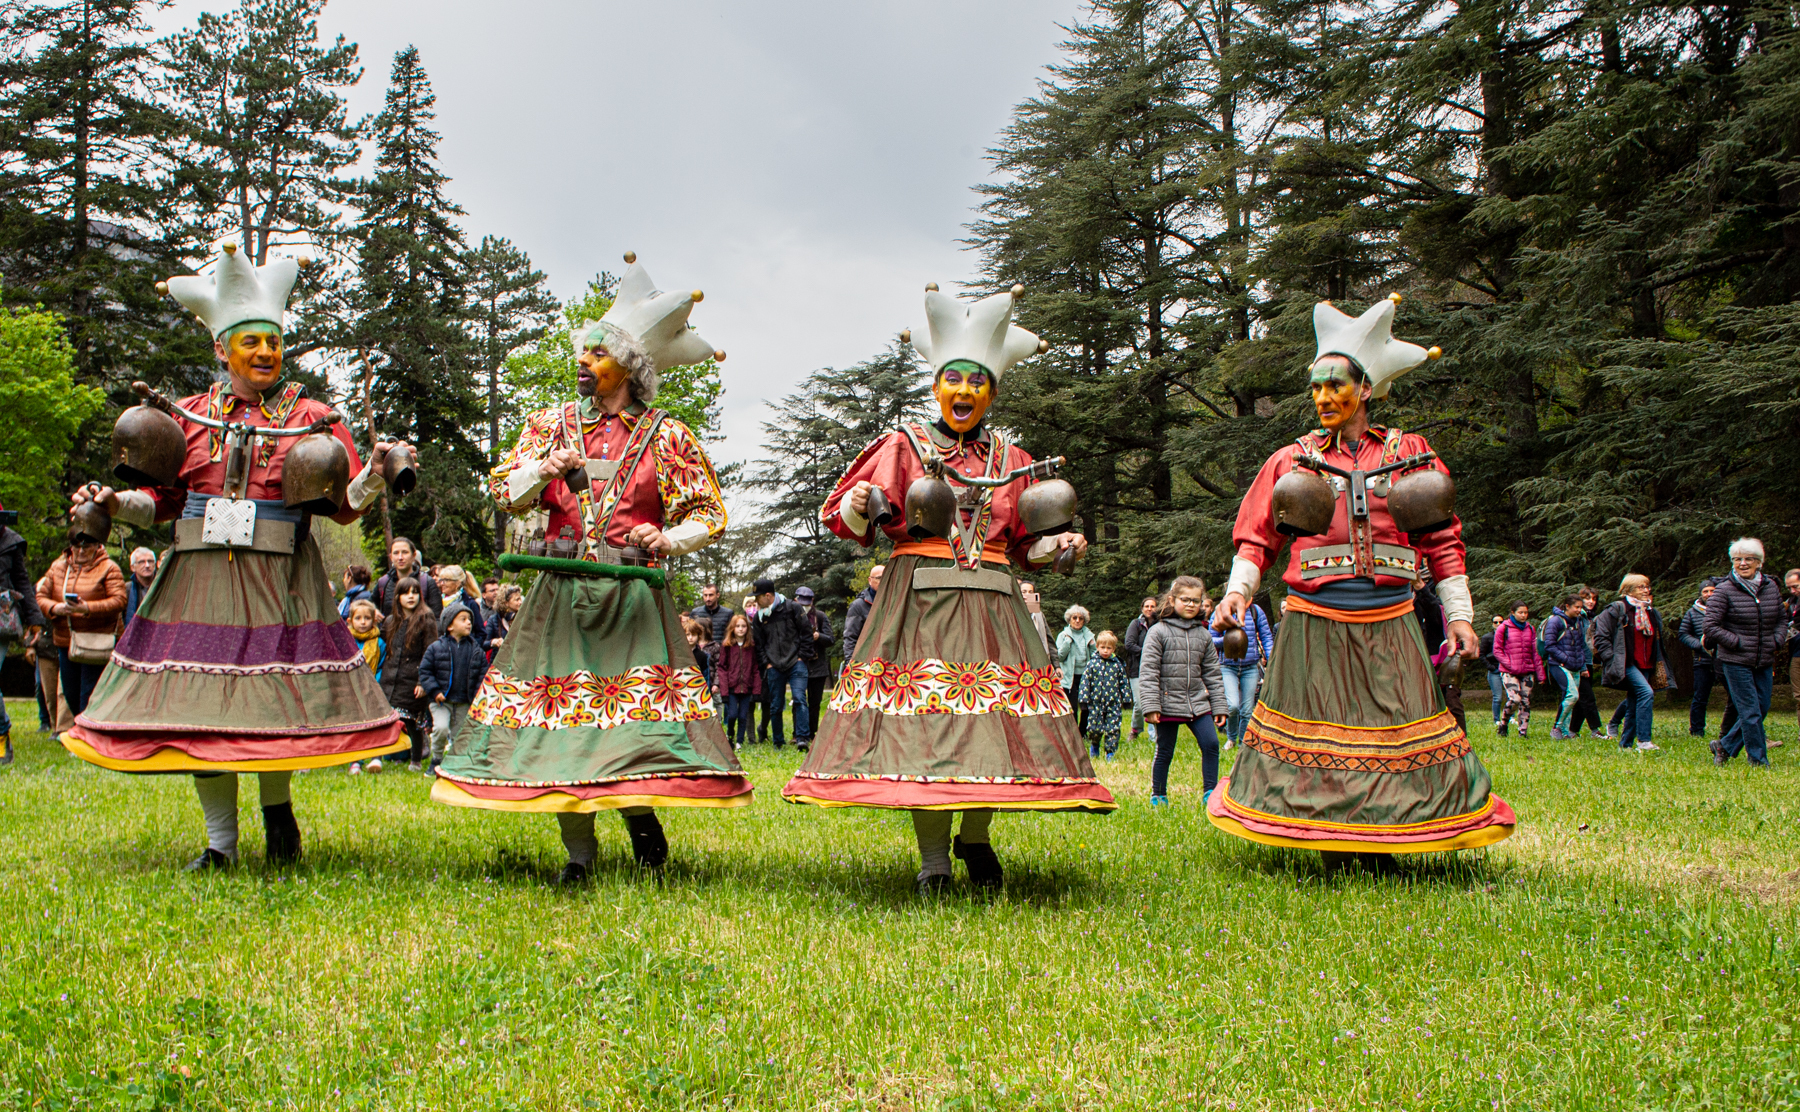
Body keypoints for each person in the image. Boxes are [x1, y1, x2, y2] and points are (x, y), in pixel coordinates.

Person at [64, 242, 407, 868]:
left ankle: (279, 822)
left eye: (273, 342)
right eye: (251, 342)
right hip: (199, 576)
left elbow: (343, 507)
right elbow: (162, 501)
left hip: (282, 575)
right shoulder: (187, 417)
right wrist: (115, 502)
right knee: (202, 708)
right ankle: (220, 843)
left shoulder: (314, 418)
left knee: (271, 702)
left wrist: (379, 475)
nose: (266, 353)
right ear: (222, 349)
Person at [783, 283, 1112, 893]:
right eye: (954, 379)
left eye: (978, 382)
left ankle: (977, 836)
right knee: (925, 727)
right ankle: (935, 859)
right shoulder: (901, 445)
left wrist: (1060, 549)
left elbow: (1023, 547)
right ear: (936, 384)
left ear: (992, 390)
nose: (965, 392)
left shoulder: (1015, 457)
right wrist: (861, 504)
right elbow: (843, 519)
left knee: (992, 726)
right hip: (918, 605)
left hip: (993, 606)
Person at [434, 255, 747, 880]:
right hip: (560, 597)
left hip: (633, 598)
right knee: (557, 722)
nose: (583, 359)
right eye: (584, 350)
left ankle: (641, 826)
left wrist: (669, 537)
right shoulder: (551, 424)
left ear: (629, 367)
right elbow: (501, 490)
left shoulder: (668, 435)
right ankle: (579, 856)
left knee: (627, 724)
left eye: (597, 351)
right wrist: (539, 471)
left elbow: (711, 512)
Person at [1208, 295, 1515, 858]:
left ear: (1366, 390)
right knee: (1318, 735)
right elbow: (1258, 539)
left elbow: (1442, 540)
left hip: (1392, 619)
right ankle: (1327, 839)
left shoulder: (1412, 453)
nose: (1324, 398)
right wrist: (1237, 592)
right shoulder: (1290, 460)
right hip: (1313, 620)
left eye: (1336, 386)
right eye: (1317, 387)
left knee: (1396, 733)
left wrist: (1463, 617)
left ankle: (1389, 835)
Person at [1141, 577, 1228, 806]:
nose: (1191, 605)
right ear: (1172, 600)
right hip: (1167, 702)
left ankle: (1210, 793)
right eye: (1185, 599)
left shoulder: (1204, 635)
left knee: (1211, 744)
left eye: (1196, 601)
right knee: (1165, 750)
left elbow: (1213, 675)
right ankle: (1158, 795)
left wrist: (1219, 706)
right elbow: (1149, 672)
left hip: (1198, 702)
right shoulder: (1158, 632)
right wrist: (1151, 706)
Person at [1705, 538, 1783, 768]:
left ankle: (1724, 746)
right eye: (1737, 559)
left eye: (1748, 559)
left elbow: (1781, 619)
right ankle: (1758, 761)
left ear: (1759, 562)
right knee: (1750, 712)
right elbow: (1710, 627)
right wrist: (1736, 642)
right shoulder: (1724, 590)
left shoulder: (1771, 588)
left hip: (1764, 659)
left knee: (1762, 708)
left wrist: (1776, 640)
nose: (1743, 563)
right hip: (1735, 660)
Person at [35, 532, 127, 724]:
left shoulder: (109, 568)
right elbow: (41, 597)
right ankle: (80, 729)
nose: (81, 550)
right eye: (76, 546)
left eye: (87, 546)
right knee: (70, 691)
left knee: (89, 690)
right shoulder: (58, 568)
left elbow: (119, 601)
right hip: (65, 640)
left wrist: (87, 608)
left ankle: (87, 734)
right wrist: (55, 608)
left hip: (97, 640)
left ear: (98, 546)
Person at [1592, 573, 1665, 752]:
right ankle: (1644, 740)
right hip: (1627, 663)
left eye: (1647, 586)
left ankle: (1625, 745)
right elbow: (1600, 637)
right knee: (1646, 693)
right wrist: (1611, 659)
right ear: (1629, 589)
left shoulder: (1650, 611)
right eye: (1641, 587)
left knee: (1633, 703)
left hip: (1646, 663)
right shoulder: (1617, 609)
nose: (1646, 590)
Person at [371, 579, 434, 773]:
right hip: (390, 680)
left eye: (415, 592)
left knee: (412, 721)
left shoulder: (427, 619)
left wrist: (422, 682)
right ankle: (376, 758)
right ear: (397, 597)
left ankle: (415, 760)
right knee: (384, 720)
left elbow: (429, 652)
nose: (411, 596)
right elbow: (380, 645)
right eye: (406, 593)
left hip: (413, 681)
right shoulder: (391, 621)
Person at [0, 504, 47, 763]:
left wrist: (34, 620)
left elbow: (22, 582)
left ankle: (0, 735)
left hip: (2, 618)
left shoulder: (11, 543)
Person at [419, 603, 487, 773]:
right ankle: (437, 759)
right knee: (441, 728)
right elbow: (425, 671)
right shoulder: (436, 648)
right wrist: (435, 691)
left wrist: (477, 695)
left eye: (469, 620)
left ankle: (455, 766)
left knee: (460, 736)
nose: (469, 623)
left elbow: (483, 673)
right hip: (441, 701)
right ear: (449, 626)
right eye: (463, 619)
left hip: (464, 701)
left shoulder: (476, 650)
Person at [752, 577, 814, 751]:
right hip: (774, 666)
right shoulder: (759, 618)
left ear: (768, 595)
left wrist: (802, 657)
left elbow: (806, 632)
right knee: (775, 704)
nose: (756, 601)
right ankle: (778, 741)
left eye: (758, 597)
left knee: (800, 699)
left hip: (796, 662)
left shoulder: (792, 608)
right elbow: (759, 644)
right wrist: (767, 664)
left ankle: (802, 738)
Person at [1678, 579, 1736, 739]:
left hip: (1724, 659)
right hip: (1702, 660)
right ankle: (1696, 730)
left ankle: (1733, 729)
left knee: (1734, 695)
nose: (1709, 594)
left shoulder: (1725, 610)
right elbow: (1683, 634)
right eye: (1705, 591)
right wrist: (1700, 645)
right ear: (1700, 594)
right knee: (1700, 697)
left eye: (1712, 591)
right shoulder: (1692, 612)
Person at [1219, 596, 1273, 749]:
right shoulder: (1222, 611)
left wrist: (1271, 658)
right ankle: (1231, 738)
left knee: (1247, 709)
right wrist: (1229, 640)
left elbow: (1266, 637)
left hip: (1250, 666)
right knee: (1233, 706)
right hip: (1228, 665)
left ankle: (1243, 743)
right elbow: (1211, 637)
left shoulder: (1256, 612)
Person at [1492, 602, 1545, 738]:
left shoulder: (1530, 629)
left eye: (1525, 613)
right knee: (1514, 699)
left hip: (1527, 670)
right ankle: (1504, 723)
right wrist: (1509, 664)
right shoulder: (1504, 628)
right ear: (1513, 612)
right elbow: (1497, 650)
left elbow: (1535, 652)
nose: (1523, 615)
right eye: (1520, 612)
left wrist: (1540, 673)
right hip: (1509, 671)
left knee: (1525, 701)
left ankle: (1523, 731)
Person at [1541, 595, 1588, 739]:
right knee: (1572, 695)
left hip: (1576, 665)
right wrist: (1565, 659)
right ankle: (1557, 727)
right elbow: (1550, 645)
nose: (1579, 610)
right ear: (1567, 606)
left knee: (1569, 699)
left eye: (1581, 607)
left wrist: (1583, 665)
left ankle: (1566, 732)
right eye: (1577, 607)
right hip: (1559, 664)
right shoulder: (1555, 621)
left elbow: (1580, 645)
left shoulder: (1578, 621)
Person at [794, 586, 835, 750]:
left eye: (807, 602)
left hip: (817, 667)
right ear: (796, 600)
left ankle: (811, 733)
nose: (805, 605)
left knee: (815, 702)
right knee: (798, 700)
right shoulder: (792, 616)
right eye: (801, 602)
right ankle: (798, 734)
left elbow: (830, 639)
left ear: (812, 601)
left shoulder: (820, 616)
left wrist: (818, 636)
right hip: (798, 664)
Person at [1078, 630, 1129, 759]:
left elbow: (1123, 682)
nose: (1105, 651)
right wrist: (1083, 700)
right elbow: (1085, 682)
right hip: (1095, 703)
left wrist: (1126, 699)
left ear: (1113, 649)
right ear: (1097, 647)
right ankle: (1094, 745)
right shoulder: (1092, 664)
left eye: (1109, 648)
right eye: (1103, 647)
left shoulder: (1118, 665)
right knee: (1094, 728)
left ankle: (1110, 752)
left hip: (1113, 703)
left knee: (1113, 728)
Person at [713, 613, 760, 749]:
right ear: (732, 628)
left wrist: (756, 690)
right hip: (732, 687)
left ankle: (739, 741)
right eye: (737, 626)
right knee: (732, 715)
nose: (740, 629)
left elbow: (755, 668)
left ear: (747, 628)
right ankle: (730, 735)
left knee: (743, 716)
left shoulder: (751, 646)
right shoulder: (727, 646)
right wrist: (724, 691)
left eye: (743, 626)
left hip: (747, 687)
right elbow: (721, 668)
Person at [1570, 587, 1608, 739]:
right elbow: (1578, 642)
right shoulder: (1578, 617)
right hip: (1580, 663)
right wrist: (1582, 665)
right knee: (1588, 697)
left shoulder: (1592, 618)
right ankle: (1595, 730)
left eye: (1594, 599)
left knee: (1582, 699)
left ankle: (1572, 731)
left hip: (1589, 662)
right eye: (1587, 598)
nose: (1591, 602)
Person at [373, 537, 442, 616]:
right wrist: (374, 611)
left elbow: (437, 617)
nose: (400, 557)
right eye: (396, 553)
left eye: (405, 552)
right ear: (391, 557)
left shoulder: (426, 582)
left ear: (413, 555)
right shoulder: (384, 582)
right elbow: (369, 604)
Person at [1121, 596, 1157, 743]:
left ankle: (1154, 736)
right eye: (1147, 606)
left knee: (1154, 702)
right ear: (1142, 608)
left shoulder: (1160, 625)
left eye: (1152, 606)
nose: (1149, 609)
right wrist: (1147, 652)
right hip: (1137, 668)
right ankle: (1136, 729)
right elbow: (1129, 644)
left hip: (1155, 669)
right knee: (1140, 704)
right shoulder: (1136, 624)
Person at [1055, 605, 1096, 733]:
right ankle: (1074, 734)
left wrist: (1093, 645)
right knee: (1072, 706)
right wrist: (1067, 642)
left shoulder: (1089, 635)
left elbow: (1095, 657)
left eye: (1080, 618)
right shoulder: (1063, 635)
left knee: (1086, 706)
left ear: (1085, 620)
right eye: (1074, 618)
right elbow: (1059, 657)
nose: (1077, 620)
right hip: (1069, 676)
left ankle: (1083, 732)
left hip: (1085, 676)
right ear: (1069, 619)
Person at [433, 564, 487, 642]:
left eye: (446, 580)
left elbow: (481, 633)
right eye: (441, 580)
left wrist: (470, 649)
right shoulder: (438, 602)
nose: (442, 583)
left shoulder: (470, 604)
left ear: (457, 583)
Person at [840, 565, 882, 664]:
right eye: (879, 578)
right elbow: (850, 637)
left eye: (887, 578)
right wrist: (851, 665)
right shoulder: (858, 606)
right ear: (870, 580)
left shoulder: (895, 603)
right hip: (867, 662)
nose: (883, 581)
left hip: (890, 663)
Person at [689, 583, 734, 652]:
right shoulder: (695, 613)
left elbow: (731, 635)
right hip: (700, 653)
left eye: (711, 595)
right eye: (705, 595)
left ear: (717, 595)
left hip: (722, 652)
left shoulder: (728, 613)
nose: (708, 598)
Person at [346, 598, 384, 677]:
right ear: (350, 621)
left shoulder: (379, 643)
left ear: (374, 621)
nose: (363, 622)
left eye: (367, 618)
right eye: (358, 618)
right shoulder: (345, 641)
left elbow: (381, 668)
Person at [1478, 616, 1504, 730]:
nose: (1498, 624)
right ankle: (1496, 719)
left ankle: (1511, 717)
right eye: (1495, 622)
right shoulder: (1487, 638)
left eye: (1500, 622)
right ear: (1492, 624)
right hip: (1494, 670)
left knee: (1512, 696)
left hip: (1507, 669)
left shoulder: (1507, 636)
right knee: (1497, 697)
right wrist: (1491, 668)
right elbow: (1481, 655)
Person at [123, 546, 157, 626]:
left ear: (155, 565)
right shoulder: (127, 589)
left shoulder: (163, 585)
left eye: (150, 561)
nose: (147, 565)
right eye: (141, 562)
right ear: (132, 567)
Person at [1785, 568, 1800, 742]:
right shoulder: (1790, 603)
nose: (1793, 591)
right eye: (1789, 587)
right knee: (1799, 696)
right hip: (1796, 653)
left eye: (1795, 586)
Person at [1019, 580, 1052, 656]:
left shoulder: (1039, 614)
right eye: (1024, 592)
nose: (1027, 595)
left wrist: (1056, 665)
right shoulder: (1011, 613)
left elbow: (1048, 640)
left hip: (1039, 659)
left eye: (1030, 592)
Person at [682, 615, 714, 688]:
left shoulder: (702, 656)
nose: (690, 637)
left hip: (697, 689)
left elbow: (705, 677)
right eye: (687, 635)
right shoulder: (678, 654)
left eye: (693, 635)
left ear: (698, 635)